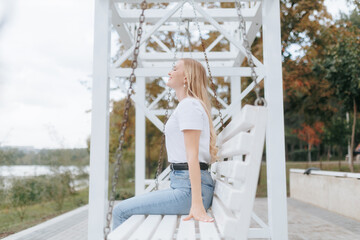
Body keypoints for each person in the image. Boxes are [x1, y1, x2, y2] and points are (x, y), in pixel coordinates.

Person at [111, 58, 218, 230]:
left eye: (174, 69)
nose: (169, 72)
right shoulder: (188, 105)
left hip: (189, 191)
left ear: (186, 77)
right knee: (125, 211)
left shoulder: (189, 105)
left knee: (120, 212)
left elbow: (193, 156)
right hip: (185, 186)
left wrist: (196, 203)